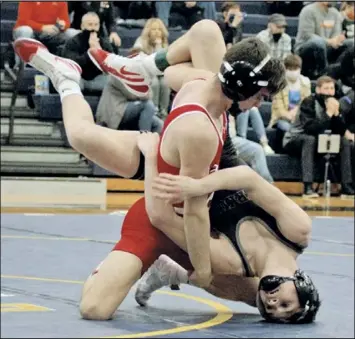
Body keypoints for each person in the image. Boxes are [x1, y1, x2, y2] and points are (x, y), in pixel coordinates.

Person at [13, 19, 285, 322]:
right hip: (164, 206)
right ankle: (66, 80)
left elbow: (171, 73)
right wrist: (204, 272)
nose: (259, 104)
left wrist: (151, 66)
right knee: (94, 308)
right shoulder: (201, 128)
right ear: (242, 85)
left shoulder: (202, 81)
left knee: (269, 299)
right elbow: (187, 212)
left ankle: (137, 68)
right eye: (261, 96)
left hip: (175, 168)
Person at [133, 132, 320, 324]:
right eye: (285, 305)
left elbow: (160, 216)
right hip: (216, 149)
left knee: (204, 272)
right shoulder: (298, 230)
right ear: (303, 284)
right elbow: (248, 179)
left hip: (176, 172)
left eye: (270, 309)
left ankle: (175, 272)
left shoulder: (230, 261)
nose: (272, 302)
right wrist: (199, 186)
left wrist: (150, 157)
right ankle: (176, 273)